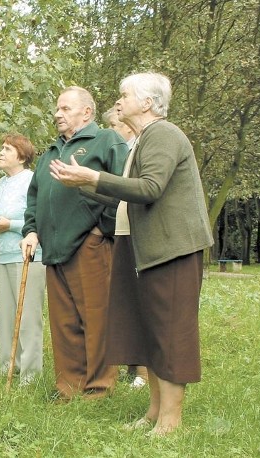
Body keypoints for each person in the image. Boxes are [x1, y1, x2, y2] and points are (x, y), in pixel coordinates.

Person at [52, 72, 213, 435]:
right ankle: (154, 413)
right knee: (148, 331)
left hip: (170, 249)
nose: (118, 101)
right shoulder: (141, 140)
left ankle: (171, 421)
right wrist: (83, 184)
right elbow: (129, 193)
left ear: (147, 102)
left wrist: (93, 179)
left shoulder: (164, 134)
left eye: (124, 95)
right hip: (141, 247)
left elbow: (150, 188)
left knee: (170, 333)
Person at [21, 86, 128, 400]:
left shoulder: (106, 140)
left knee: (96, 318)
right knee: (64, 322)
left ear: (87, 112)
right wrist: (30, 230)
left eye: (65, 108)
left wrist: (101, 230)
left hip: (90, 246)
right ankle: (68, 386)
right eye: (57, 109)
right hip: (53, 249)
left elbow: (124, 187)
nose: (58, 114)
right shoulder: (50, 154)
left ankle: (99, 387)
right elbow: (35, 198)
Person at [0, 134, 46, 387]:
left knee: (29, 317)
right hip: (4, 256)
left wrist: (11, 225)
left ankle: (31, 375)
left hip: (28, 256)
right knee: (5, 315)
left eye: (7, 149)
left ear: (21, 155)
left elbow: (38, 218)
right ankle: (9, 367)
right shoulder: (1, 183)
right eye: (1, 148)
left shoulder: (31, 180)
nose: (1, 152)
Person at [103, 107, 149, 389]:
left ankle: (144, 372)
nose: (110, 130)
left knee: (140, 301)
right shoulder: (125, 151)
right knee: (125, 302)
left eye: (113, 125)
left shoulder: (138, 150)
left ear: (128, 127)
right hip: (119, 233)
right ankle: (133, 365)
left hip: (140, 237)